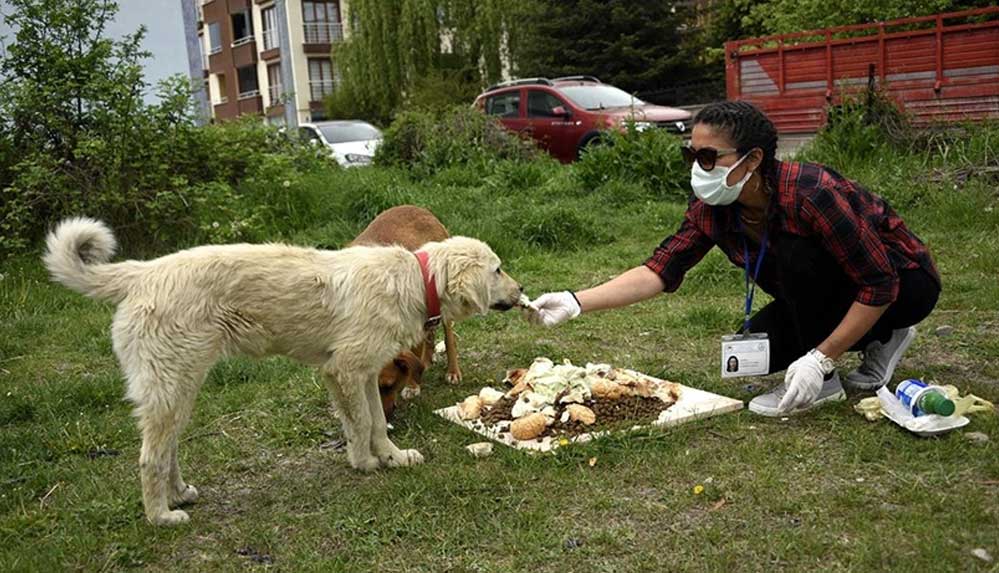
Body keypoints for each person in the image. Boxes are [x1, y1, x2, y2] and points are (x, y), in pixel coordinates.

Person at [528, 101, 940, 417]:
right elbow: (660, 270)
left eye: (709, 158)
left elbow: (879, 281)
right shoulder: (714, 206)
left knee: (796, 255)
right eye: (692, 156)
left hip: (904, 284)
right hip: (828, 295)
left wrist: (820, 358)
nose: (697, 168)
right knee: (746, 356)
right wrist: (576, 300)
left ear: (754, 159)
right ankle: (884, 338)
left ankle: (830, 377)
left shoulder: (811, 193)